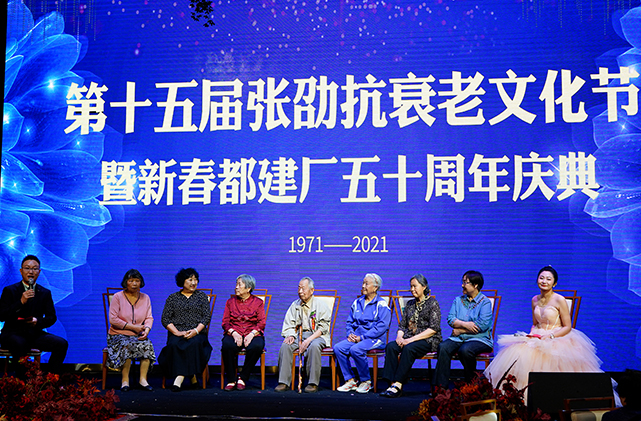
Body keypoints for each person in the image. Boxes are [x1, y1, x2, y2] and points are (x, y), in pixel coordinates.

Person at [483, 266, 601, 395]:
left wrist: (551, 336)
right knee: (517, 354)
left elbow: (567, 326)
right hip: (537, 335)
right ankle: (518, 396)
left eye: (548, 279)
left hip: (556, 336)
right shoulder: (534, 299)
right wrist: (531, 334)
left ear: (554, 283)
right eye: (541, 278)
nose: (544, 281)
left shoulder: (559, 300)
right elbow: (535, 324)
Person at [0, 255, 68, 374]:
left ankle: (49, 379)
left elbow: (51, 317)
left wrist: (37, 322)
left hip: (34, 334)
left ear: (39, 272)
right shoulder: (10, 290)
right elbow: (2, 315)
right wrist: (20, 302)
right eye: (27, 268)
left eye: (34, 269)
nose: (31, 272)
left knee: (61, 344)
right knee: (20, 344)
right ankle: (22, 381)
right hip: (12, 334)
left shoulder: (44, 293)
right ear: (21, 271)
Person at [379, 274, 442, 398]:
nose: (412, 289)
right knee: (391, 346)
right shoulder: (410, 304)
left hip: (428, 339)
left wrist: (410, 340)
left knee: (409, 348)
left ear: (424, 287)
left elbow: (433, 329)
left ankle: (398, 384)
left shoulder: (433, 303)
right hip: (409, 338)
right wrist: (399, 337)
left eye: (415, 286)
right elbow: (402, 325)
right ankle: (391, 384)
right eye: (411, 286)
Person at [433, 270, 493, 389]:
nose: (462, 285)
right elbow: (451, 319)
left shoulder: (485, 302)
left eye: (465, 282)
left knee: (465, 350)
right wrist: (465, 324)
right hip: (458, 338)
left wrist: (460, 330)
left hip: (479, 339)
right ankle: (440, 388)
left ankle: (471, 385)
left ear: (475, 285)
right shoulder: (458, 300)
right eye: (463, 282)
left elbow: (482, 325)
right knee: (443, 347)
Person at [157, 268, 213, 392]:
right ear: (182, 281)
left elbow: (206, 317)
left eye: (195, 279)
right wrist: (177, 332)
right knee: (174, 344)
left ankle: (179, 379)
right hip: (177, 332)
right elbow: (165, 318)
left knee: (194, 343)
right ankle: (192, 377)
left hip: (197, 332)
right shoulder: (172, 298)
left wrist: (195, 331)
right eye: (190, 279)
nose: (194, 282)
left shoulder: (201, 296)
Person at [335, 273, 391, 394]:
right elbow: (350, 322)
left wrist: (363, 337)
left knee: (356, 349)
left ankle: (366, 381)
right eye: (363, 283)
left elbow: (382, 326)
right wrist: (350, 333)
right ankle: (350, 380)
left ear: (375, 288)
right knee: (339, 348)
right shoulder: (357, 302)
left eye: (366, 284)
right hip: (357, 338)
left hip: (375, 339)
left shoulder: (381, 304)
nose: (363, 286)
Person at [274, 276, 331, 393]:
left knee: (314, 346)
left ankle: (312, 383)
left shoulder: (320, 305)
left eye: (303, 289)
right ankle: (283, 382)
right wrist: (290, 335)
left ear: (312, 290)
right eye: (299, 288)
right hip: (298, 334)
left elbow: (323, 328)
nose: (300, 291)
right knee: (286, 345)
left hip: (317, 335)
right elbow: (289, 323)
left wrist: (308, 340)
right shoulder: (295, 305)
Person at [107, 269, 156, 391]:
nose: (134, 283)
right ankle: (125, 381)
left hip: (137, 335)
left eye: (137, 281)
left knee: (147, 344)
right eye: (131, 281)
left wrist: (147, 330)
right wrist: (133, 327)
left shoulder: (145, 298)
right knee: (126, 344)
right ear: (126, 282)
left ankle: (143, 380)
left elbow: (149, 317)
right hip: (118, 335)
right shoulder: (118, 297)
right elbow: (113, 319)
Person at [221, 274, 266, 391]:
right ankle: (231, 379)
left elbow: (261, 323)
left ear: (248, 288)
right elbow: (225, 322)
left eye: (239, 285)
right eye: (236, 284)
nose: (236, 287)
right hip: (234, 331)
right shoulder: (230, 302)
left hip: (252, 332)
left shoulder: (258, 302)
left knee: (257, 346)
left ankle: (243, 377)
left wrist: (251, 334)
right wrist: (234, 333)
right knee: (227, 345)